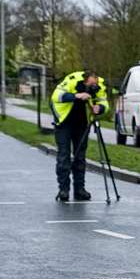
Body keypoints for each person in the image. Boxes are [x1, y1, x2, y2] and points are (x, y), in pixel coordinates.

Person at [50, 70, 109, 202]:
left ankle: (79, 189)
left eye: (96, 84)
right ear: (85, 81)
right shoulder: (71, 80)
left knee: (80, 157)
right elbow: (56, 96)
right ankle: (64, 189)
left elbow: (104, 102)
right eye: (91, 84)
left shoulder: (99, 85)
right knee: (64, 156)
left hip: (82, 124)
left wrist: (100, 108)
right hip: (64, 122)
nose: (94, 86)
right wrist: (76, 96)